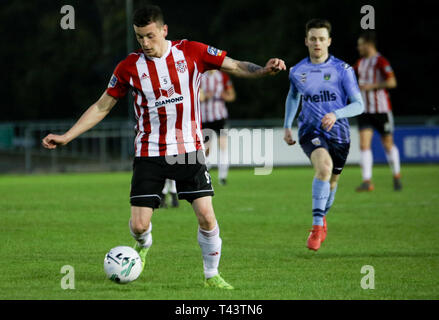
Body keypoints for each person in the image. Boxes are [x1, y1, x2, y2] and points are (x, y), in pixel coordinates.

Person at [42, 5, 286, 289]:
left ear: (163, 30)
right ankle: (144, 244)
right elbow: (102, 106)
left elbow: (234, 65)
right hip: (149, 153)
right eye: (139, 37)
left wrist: (263, 70)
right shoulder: (128, 68)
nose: (144, 43)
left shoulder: (192, 51)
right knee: (138, 226)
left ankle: (211, 275)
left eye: (149, 36)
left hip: (188, 149)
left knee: (207, 216)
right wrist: (68, 136)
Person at [283, 19, 364, 251]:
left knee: (333, 180)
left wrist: (336, 114)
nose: (317, 43)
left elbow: (359, 105)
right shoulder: (298, 71)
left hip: (340, 134)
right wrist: (288, 125)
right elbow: (293, 97)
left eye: (321, 39)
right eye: (313, 38)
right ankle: (317, 227)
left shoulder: (343, 70)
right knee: (324, 169)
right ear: (306, 41)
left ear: (329, 41)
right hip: (311, 131)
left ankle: (322, 218)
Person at [354, 31, 401, 192]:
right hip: (364, 110)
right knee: (364, 144)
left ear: (369, 44)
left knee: (387, 144)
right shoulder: (360, 63)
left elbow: (392, 82)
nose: (358, 47)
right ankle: (367, 181)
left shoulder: (381, 61)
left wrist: (371, 86)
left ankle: (396, 175)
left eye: (361, 44)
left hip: (381, 110)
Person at [200, 70, 236, 185]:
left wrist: (224, 95)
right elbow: (199, 97)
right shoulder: (201, 76)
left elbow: (232, 96)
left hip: (220, 117)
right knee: (206, 149)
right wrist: (205, 96)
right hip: (205, 117)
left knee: (223, 146)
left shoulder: (223, 77)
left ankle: (222, 177)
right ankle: (206, 174)